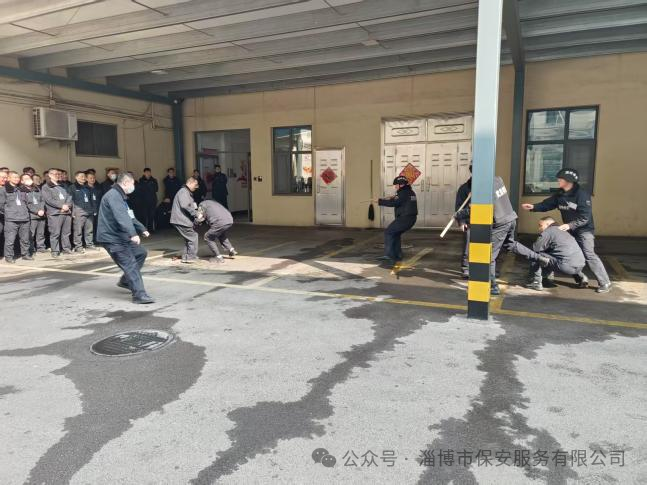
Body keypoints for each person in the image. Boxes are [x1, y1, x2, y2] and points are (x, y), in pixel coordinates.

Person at [522, 168, 611, 293]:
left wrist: (570, 225)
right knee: (566, 253)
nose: (558, 181)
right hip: (569, 228)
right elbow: (547, 204)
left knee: (588, 255)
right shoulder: (560, 194)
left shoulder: (582, 195)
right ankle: (578, 278)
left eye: (560, 179)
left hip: (584, 230)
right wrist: (533, 207)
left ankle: (605, 282)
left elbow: (585, 217)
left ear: (569, 181)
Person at [96, 172, 154, 304]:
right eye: (133, 183)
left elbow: (129, 216)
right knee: (130, 264)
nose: (134, 186)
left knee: (140, 253)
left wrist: (142, 228)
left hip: (119, 236)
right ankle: (139, 295)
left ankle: (125, 281)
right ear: (126, 183)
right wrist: (133, 234)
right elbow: (121, 217)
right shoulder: (114, 196)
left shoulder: (120, 196)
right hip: (111, 238)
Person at [522, 216, 587, 291]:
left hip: (565, 267)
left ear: (547, 224)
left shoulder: (548, 232)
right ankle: (582, 278)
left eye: (540, 225)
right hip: (580, 265)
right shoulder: (563, 230)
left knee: (535, 255)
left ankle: (535, 282)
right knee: (563, 255)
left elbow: (535, 248)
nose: (539, 228)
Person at [376, 175, 418, 263]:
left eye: (396, 185)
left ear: (401, 185)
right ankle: (397, 255)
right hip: (410, 219)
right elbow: (400, 200)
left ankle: (390, 255)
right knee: (395, 234)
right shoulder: (410, 192)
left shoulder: (403, 193)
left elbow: (394, 203)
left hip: (405, 219)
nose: (395, 187)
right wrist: (394, 197)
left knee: (389, 232)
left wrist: (380, 201)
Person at [0, 171, 32, 262]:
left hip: (24, 217)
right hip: (11, 219)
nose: (16, 179)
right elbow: (1, 205)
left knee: (25, 239)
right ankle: (9, 257)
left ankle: (25, 254)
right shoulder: (3, 190)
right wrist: (9, 212)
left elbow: (27, 202)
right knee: (10, 239)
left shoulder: (21, 189)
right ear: (9, 178)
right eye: (14, 177)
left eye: (17, 177)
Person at [41, 168, 73, 258]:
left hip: (66, 212)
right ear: (50, 175)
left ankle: (66, 249)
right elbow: (49, 200)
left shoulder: (63, 185)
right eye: (56, 174)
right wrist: (61, 206)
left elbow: (69, 196)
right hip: (55, 213)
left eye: (59, 174)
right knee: (55, 233)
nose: (58, 176)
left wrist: (67, 205)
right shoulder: (46, 187)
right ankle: (55, 250)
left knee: (66, 232)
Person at [197, 199, 237, 264]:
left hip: (219, 222)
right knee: (220, 234)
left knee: (208, 237)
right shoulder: (214, 203)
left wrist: (195, 223)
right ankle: (231, 250)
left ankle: (218, 257)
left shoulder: (201, 204)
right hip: (229, 220)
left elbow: (199, 218)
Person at [171, 177, 200, 263]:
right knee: (193, 236)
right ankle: (190, 257)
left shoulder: (186, 192)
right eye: (195, 185)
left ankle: (186, 256)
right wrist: (196, 214)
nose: (196, 187)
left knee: (189, 238)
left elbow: (191, 205)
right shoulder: (183, 191)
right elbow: (185, 205)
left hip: (180, 219)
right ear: (190, 183)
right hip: (181, 219)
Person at [68, 171, 97, 253]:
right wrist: (73, 212)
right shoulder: (72, 187)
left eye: (84, 176)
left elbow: (92, 199)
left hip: (89, 211)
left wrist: (94, 209)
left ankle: (89, 244)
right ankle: (78, 246)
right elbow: (70, 200)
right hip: (78, 212)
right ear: (76, 177)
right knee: (78, 230)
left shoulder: (87, 187)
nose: (83, 178)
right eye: (81, 176)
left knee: (89, 230)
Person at [455, 166, 472, 278]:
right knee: (467, 246)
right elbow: (458, 207)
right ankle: (465, 268)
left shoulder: (486, 186)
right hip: (469, 222)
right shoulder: (464, 188)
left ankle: (487, 268)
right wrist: (461, 222)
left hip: (484, 221)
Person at [25, 174, 47, 254]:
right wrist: (36, 211)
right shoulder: (24, 191)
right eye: (35, 179)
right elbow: (27, 204)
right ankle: (31, 249)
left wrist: (42, 209)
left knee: (41, 233)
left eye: (38, 179)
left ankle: (41, 247)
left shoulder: (37, 189)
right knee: (31, 233)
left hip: (41, 214)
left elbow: (42, 200)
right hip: (32, 215)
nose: (37, 180)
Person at [139, 168, 159, 232]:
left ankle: (151, 229)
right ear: (144, 173)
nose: (148, 174)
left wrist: (149, 186)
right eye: (146, 172)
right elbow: (141, 189)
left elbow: (156, 189)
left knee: (151, 215)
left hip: (152, 200)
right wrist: (148, 186)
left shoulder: (154, 180)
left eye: (149, 172)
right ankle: (144, 230)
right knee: (144, 216)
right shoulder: (141, 180)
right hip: (144, 201)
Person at [85, 171, 102, 245]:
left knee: (97, 226)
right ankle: (89, 242)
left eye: (94, 178)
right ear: (86, 179)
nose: (92, 179)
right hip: (89, 211)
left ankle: (96, 240)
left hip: (98, 210)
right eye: (90, 178)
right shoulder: (84, 189)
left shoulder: (97, 188)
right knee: (89, 228)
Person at [0, 168, 7, 257]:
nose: (4, 179)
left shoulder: (6, 188)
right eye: (2, 177)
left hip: (5, 215)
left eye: (6, 178)